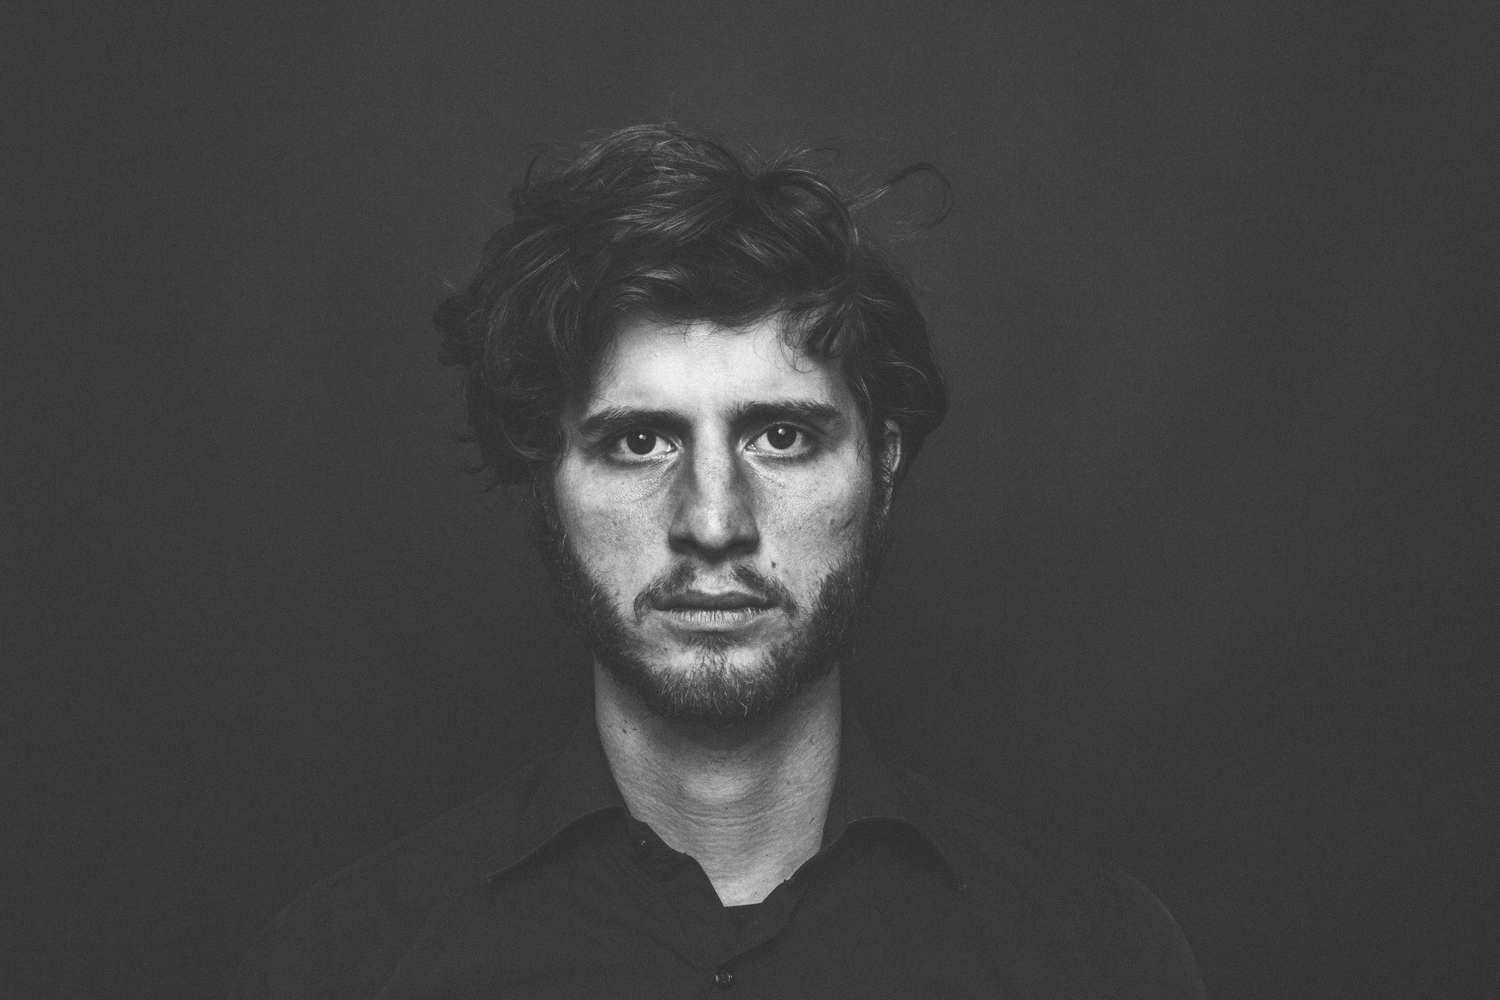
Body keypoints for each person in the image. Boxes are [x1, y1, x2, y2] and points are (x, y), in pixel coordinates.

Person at [230, 124, 1205, 999]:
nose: (712, 520)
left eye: (780, 436)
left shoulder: (1095, 958)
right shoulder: (342, 968)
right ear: (545, 481)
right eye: (639, 442)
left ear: (883, 469)